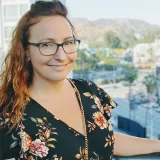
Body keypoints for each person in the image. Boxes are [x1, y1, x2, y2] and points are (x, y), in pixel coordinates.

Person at [0, 1, 160, 160]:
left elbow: (105, 139)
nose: (61, 56)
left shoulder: (89, 91)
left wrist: (157, 145)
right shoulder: (9, 114)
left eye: (68, 42)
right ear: (26, 51)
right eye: (47, 44)